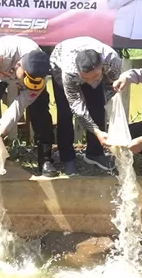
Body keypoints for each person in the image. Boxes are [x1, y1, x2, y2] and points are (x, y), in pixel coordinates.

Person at [0, 35, 58, 178]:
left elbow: (19, 106)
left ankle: (45, 160)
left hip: (21, 74)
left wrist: (2, 130)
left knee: (41, 112)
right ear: (19, 65)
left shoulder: (39, 75)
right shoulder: (2, 52)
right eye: (24, 79)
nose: (24, 84)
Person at [50, 36, 121, 175]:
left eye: (94, 77)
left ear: (102, 67)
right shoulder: (69, 70)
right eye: (85, 78)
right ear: (78, 72)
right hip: (58, 63)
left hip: (92, 66)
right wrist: (96, 131)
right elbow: (76, 105)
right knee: (65, 113)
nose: (89, 82)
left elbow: (112, 86)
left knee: (98, 106)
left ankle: (95, 154)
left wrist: (106, 102)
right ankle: (67, 157)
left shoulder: (113, 61)